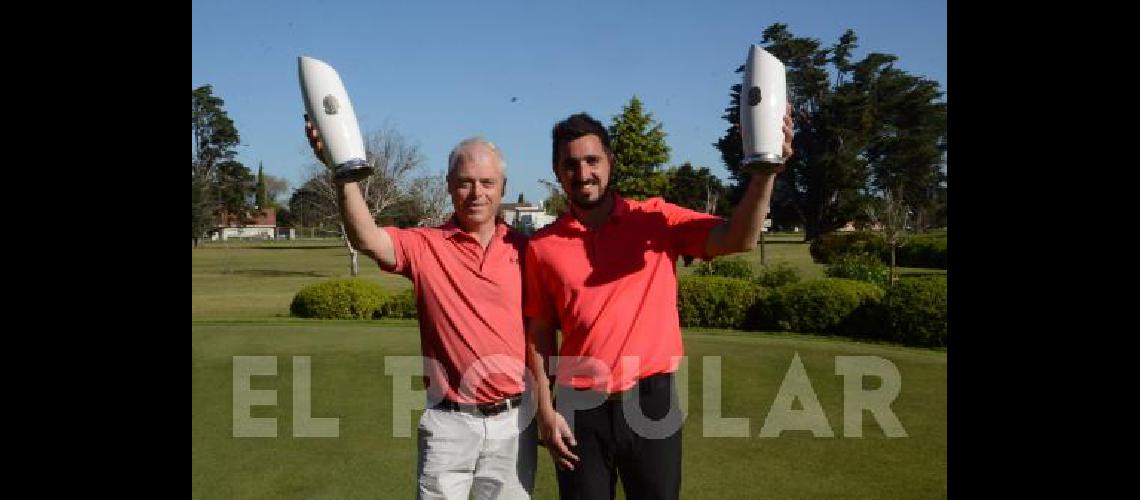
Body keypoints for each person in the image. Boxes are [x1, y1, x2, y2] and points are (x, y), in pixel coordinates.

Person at [522, 108, 794, 499]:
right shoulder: (542, 246)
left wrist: (765, 174)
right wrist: (544, 411)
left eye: (592, 160)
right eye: (571, 164)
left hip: (651, 402)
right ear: (557, 170)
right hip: (578, 407)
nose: (583, 173)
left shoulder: (655, 220)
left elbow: (739, 237)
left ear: (610, 162)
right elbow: (540, 332)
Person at [305, 118, 536, 500]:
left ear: (503, 188)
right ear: (449, 186)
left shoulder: (527, 251)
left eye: (487, 183)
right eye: (465, 182)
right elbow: (368, 238)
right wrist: (343, 175)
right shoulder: (426, 245)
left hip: (513, 424)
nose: (476, 193)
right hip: (449, 423)